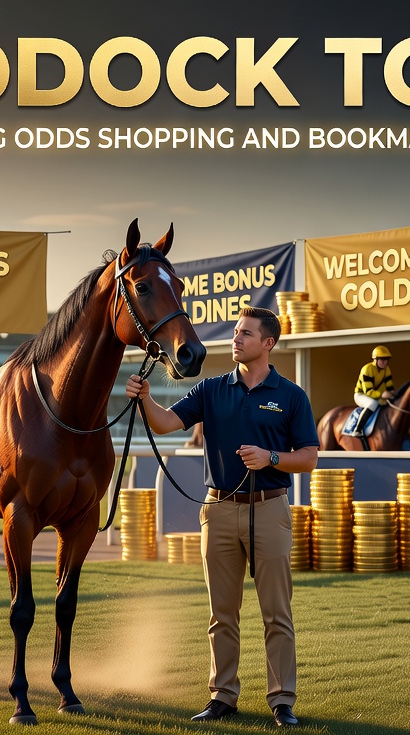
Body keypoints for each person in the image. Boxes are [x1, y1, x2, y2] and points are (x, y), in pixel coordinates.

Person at [125, 306, 318, 727]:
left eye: (245, 334)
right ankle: (222, 697)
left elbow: (308, 458)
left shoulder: (291, 395)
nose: (236, 339)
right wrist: (145, 399)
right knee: (221, 613)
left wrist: (270, 457)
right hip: (218, 511)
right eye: (235, 332)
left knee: (277, 614)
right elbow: (165, 423)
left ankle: (282, 701)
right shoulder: (212, 389)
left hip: (270, 510)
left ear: (268, 343)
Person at [343, 345, 395, 437]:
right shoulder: (367, 369)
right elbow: (368, 392)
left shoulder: (387, 370)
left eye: (386, 360)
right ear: (375, 360)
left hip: (378, 396)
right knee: (373, 404)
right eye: (381, 360)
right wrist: (382, 395)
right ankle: (357, 429)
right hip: (361, 395)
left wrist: (392, 395)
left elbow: (389, 386)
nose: (383, 362)